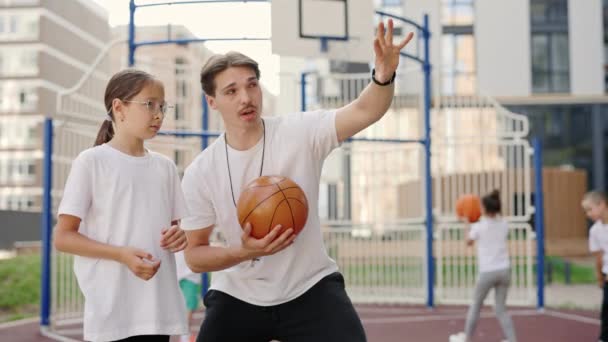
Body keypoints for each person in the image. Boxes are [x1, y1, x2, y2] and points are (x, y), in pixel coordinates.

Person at [179, 19, 413, 342]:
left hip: (310, 285)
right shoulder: (202, 171)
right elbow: (194, 254)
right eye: (231, 91)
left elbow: (365, 110)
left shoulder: (299, 133)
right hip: (239, 294)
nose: (246, 97)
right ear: (212, 101)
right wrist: (243, 252)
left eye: (252, 85)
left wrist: (383, 75)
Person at [53, 69, 189, 342]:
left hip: (156, 311)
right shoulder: (91, 162)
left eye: (162, 106)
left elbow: (175, 231)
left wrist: (178, 238)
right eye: (149, 104)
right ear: (119, 107)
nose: (159, 114)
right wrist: (121, 254)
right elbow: (63, 237)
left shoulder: (165, 167)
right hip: (112, 312)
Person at [450, 190, 517, 342]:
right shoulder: (504, 224)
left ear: (484, 209)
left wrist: (466, 222)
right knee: (501, 308)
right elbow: (498, 221)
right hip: (504, 270)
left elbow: (468, 242)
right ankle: (512, 339)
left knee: (476, 305)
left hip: (487, 272)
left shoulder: (479, 227)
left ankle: (466, 338)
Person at [582, 190, 608, 342]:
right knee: (606, 312)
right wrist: (600, 278)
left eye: (589, 209)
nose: (587, 214)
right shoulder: (595, 231)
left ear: (602, 204)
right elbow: (598, 258)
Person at [175, 250, 201, 342]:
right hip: (181, 275)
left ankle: (184, 335)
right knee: (185, 307)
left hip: (188, 275)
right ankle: (184, 335)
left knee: (188, 307)